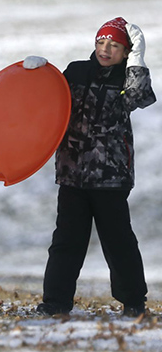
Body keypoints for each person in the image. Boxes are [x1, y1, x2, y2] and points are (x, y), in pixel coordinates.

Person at [25, 18, 155, 317]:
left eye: (115, 45)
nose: (105, 49)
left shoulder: (128, 77)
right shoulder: (76, 71)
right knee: (66, 241)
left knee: (118, 241)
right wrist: (37, 73)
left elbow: (138, 97)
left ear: (126, 52)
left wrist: (137, 59)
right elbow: (48, 98)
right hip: (72, 172)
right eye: (101, 42)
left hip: (111, 176)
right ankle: (55, 303)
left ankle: (134, 302)